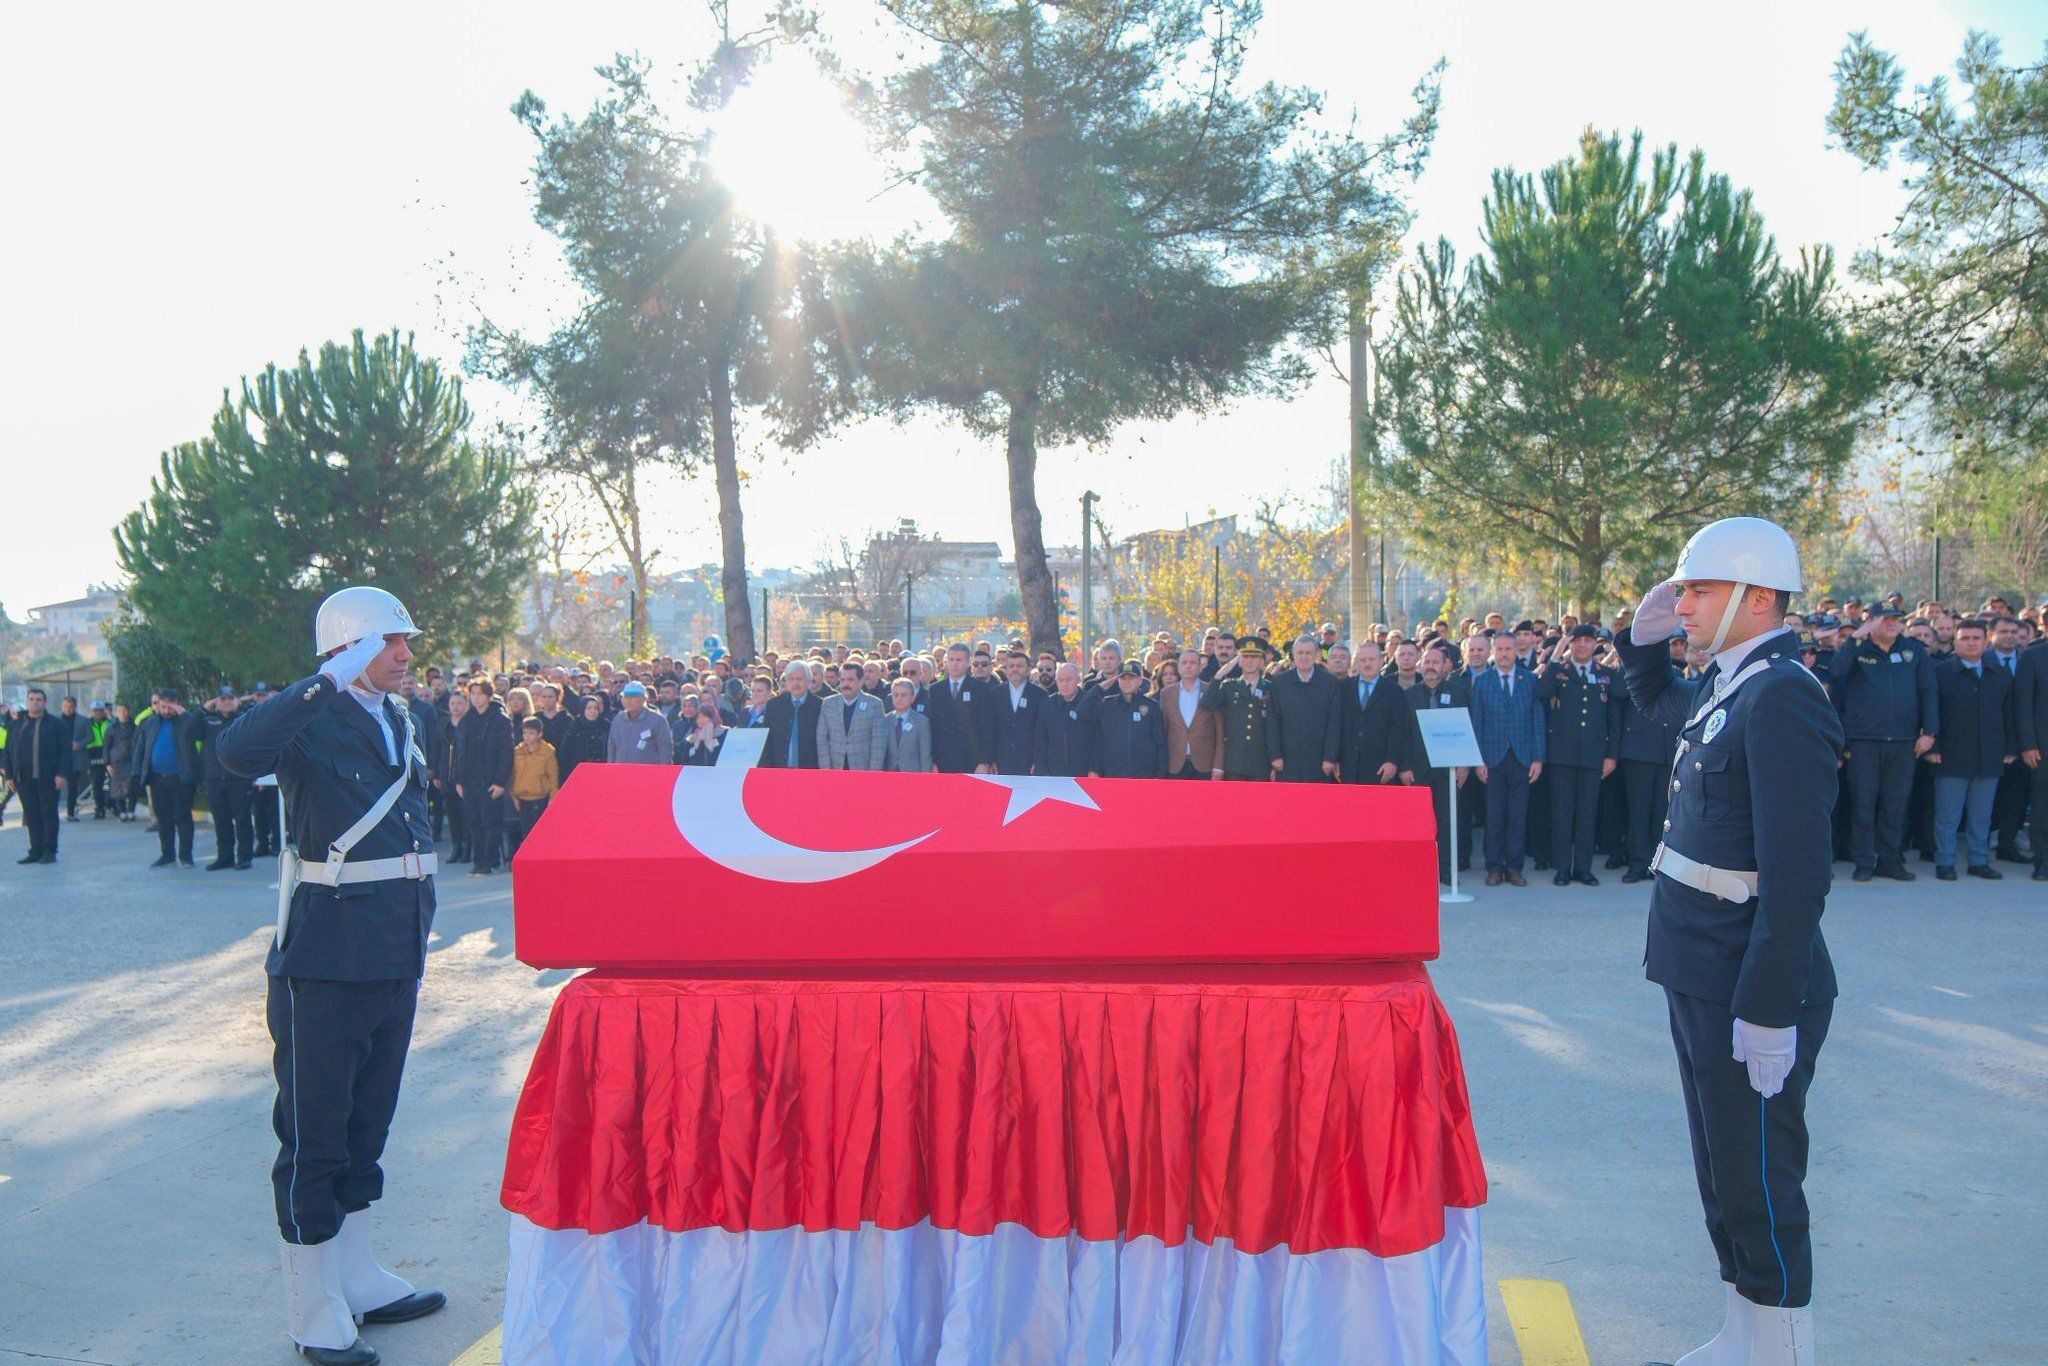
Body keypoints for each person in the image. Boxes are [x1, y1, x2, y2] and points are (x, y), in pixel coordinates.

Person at [1617, 517, 1837, 1366]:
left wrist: (1770, 1007)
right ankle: (1744, 1330)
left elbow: (1796, 874)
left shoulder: (1781, 692)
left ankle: (1784, 1348)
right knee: (1723, 1169)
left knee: (1760, 1175)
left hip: (1748, 975)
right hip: (1699, 962)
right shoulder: (1730, 683)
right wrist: (1639, 650)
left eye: (1699, 590)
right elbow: (1660, 706)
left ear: (1758, 600)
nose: (1683, 605)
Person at [216, 585, 446, 1366]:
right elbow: (236, 752)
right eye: (389, 643)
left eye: (404, 642)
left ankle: (357, 1275)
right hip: (327, 956)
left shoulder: (399, 717)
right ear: (349, 648)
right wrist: (323, 679)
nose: (406, 656)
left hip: (394, 949)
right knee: (315, 1134)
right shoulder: (311, 718)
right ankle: (313, 1305)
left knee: (366, 1125)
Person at [1827, 604, 1937, 881]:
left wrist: (1930, 732)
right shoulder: (1857, 650)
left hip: (1903, 741)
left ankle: (1889, 860)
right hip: (1864, 741)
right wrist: (1855, 637)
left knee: (1895, 805)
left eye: (1896, 619)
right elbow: (1837, 672)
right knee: (1863, 805)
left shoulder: (1913, 651)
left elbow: (1928, 691)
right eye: (1884, 619)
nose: (1891, 623)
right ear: (1870, 622)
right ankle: (1863, 862)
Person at [1534, 625, 1622, 887]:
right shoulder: (1559, 671)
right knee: (1562, 813)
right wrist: (1554, 656)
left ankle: (1583, 868)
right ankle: (1562, 867)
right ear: (1570, 644)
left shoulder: (1606, 674)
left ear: (1595, 644)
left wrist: (1611, 755)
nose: (1583, 645)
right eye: (1577, 641)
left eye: (1588, 641)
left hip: (1594, 756)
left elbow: (1613, 719)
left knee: (1587, 813)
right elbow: (1541, 693)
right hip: (1562, 755)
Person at [1927, 619, 2015, 880]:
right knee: (1948, 815)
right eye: (1965, 638)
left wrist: (2010, 747)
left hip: (1990, 753)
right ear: (1955, 641)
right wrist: (1934, 745)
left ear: (1986, 641)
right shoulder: (1941, 672)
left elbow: (2008, 714)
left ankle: (1978, 860)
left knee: (1981, 815)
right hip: (1950, 754)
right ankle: (1945, 861)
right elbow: (1932, 712)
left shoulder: (1999, 673)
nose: (1971, 642)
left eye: (1976, 638)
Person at [1468, 634, 1544, 887]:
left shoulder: (1530, 680)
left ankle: (1514, 867)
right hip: (1492, 759)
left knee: (1517, 816)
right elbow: (1476, 724)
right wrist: (1477, 760)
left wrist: (1538, 757)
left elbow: (1537, 721)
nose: (1503, 653)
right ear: (1493, 651)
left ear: (1515, 651)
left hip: (1522, 758)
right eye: (1499, 649)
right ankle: (1493, 868)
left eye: (1507, 649)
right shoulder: (1482, 682)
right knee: (1494, 816)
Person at [1616, 638, 1686, 883]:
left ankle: (1657, 862)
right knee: (1638, 811)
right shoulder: (1630, 672)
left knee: (1662, 812)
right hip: (1639, 751)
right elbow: (1617, 691)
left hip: (1667, 751)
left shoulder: (1676, 673)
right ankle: (1637, 862)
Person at [1405, 646, 1472, 882]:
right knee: (1420, 823)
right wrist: (1405, 767)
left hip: (1449, 769)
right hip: (1418, 769)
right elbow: (1404, 734)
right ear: (1421, 665)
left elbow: (1466, 728)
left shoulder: (1458, 692)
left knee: (1446, 821)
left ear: (1445, 666)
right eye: (1427, 662)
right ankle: (1420, 870)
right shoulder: (1410, 695)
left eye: (1436, 662)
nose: (1431, 667)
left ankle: (1445, 871)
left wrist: (1464, 764)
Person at [135, 688, 203, 867]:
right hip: (157, 779)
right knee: (163, 819)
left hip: (181, 779)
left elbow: (200, 732)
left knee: (183, 817)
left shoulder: (185, 722)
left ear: (178, 705)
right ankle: (167, 854)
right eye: (163, 706)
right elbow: (141, 749)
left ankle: (186, 855)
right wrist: (137, 774)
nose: (166, 711)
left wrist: (184, 714)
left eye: (170, 707)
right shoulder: (149, 723)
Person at [1335, 641, 1416, 787]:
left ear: (1380, 661)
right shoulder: (1343, 689)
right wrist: (1335, 759)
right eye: (1363, 660)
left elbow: (1398, 729)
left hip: (1380, 768)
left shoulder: (1394, 691)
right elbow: (1336, 726)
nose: (1367, 664)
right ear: (1356, 663)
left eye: (1371, 659)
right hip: (1348, 766)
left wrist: (1392, 761)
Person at [4, 687, 69, 863]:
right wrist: (9, 776)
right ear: (27, 701)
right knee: (31, 815)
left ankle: (49, 851)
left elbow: (65, 751)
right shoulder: (16, 725)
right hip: (23, 779)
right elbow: (8, 752)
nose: (35, 702)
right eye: (31, 699)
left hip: (48, 779)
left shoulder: (56, 724)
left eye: (38, 699)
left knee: (48, 814)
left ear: (44, 702)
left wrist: (61, 774)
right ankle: (35, 850)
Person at [457, 680, 513, 876]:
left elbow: (506, 753)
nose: (475, 697)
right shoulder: (466, 720)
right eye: (472, 693)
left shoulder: (500, 719)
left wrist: (500, 782)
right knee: (473, 822)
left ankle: (489, 862)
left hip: (490, 781)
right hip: (469, 780)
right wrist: (458, 780)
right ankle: (478, 861)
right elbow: (459, 751)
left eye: (479, 693)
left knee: (490, 823)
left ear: (489, 696)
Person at [1201, 636, 1275, 780]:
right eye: (1245, 656)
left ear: (1262, 661)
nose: (1249, 661)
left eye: (1254, 657)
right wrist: (1220, 674)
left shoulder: (1270, 688)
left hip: (1261, 762)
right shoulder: (1229, 686)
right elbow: (1207, 703)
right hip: (1234, 762)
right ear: (1239, 660)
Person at [1267, 636, 1341, 782]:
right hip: (1287, 760)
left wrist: (1330, 757)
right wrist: (1275, 756)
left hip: (1320, 761)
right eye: (1300, 653)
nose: (1304, 657)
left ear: (1316, 655)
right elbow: (1272, 722)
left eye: (1308, 653)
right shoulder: (1279, 683)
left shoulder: (1330, 683)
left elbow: (1335, 723)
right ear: (1293, 654)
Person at [200, 687, 257, 870]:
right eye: (223, 699)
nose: (227, 702)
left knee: (243, 820)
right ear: (217, 701)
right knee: (221, 820)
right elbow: (189, 732)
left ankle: (244, 857)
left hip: (239, 777)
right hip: (215, 778)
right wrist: (204, 708)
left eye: (230, 698)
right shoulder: (209, 720)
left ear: (235, 700)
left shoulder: (244, 718)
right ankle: (225, 857)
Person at [1091, 662, 1166, 778]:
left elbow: (1160, 743)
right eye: (1123, 678)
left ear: (1140, 680)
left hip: (1144, 776)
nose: (1127, 681)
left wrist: (1160, 775)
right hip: (1113, 774)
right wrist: (1099, 688)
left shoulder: (1151, 707)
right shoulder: (1106, 705)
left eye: (1131, 678)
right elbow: (1082, 714)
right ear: (1117, 680)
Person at [979, 649, 1046, 775]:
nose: (1015, 669)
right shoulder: (995, 694)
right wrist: (990, 760)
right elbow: (989, 729)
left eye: (1019, 666)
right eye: (1011, 666)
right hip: (1000, 763)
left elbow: (1042, 731)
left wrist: (1038, 760)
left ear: (1028, 670)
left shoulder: (1040, 695)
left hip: (1029, 763)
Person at [923, 643, 986, 773]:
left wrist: (984, 761)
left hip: (971, 758)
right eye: (951, 660)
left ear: (968, 662)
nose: (954, 664)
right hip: (943, 757)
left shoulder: (980, 689)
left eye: (959, 660)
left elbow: (986, 728)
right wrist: (933, 761)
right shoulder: (935, 689)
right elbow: (932, 728)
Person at [818, 661, 889, 770]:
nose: (845, 684)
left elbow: (878, 744)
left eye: (850, 680)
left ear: (861, 681)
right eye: (842, 680)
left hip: (862, 769)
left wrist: (873, 775)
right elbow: (822, 739)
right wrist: (826, 771)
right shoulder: (828, 704)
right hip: (835, 768)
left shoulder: (875, 704)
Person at [1162, 649, 1221, 779]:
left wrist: (1218, 765)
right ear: (1178, 667)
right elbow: (1163, 731)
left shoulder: (1210, 691)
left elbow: (1220, 732)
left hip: (1205, 764)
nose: (1188, 666)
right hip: (1175, 765)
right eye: (1184, 662)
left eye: (1193, 663)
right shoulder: (1166, 693)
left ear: (1200, 667)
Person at [506, 716, 559, 858]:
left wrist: (553, 798)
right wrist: (513, 795)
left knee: (539, 832)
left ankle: (540, 857)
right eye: (525, 733)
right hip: (521, 797)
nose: (527, 737)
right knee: (525, 832)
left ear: (539, 734)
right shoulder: (517, 750)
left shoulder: (547, 751)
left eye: (531, 733)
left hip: (539, 796)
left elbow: (553, 776)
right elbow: (513, 775)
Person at [1033, 663, 1097, 777]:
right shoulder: (1048, 704)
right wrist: (1042, 770)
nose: (1064, 684)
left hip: (1084, 772)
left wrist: (1094, 768)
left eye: (1068, 680)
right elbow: (1040, 739)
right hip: (1054, 772)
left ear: (1078, 679)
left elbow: (1097, 739)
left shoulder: (1090, 702)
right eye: (1060, 680)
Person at [762, 662, 822, 769]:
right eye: (791, 679)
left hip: (810, 771)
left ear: (808, 681)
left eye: (799, 679)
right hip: (779, 771)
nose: (795, 683)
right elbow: (766, 742)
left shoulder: (820, 706)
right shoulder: (774, 705)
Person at [605, 681, 672, 765]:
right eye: (625, 697)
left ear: (644, 699)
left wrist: (665, 774)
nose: (628, 701)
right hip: (621, 774)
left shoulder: (657, 720)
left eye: (634, 697)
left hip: (648, 775)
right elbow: (612, 749)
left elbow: (665, 751)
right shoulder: (618, 720)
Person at [882, 678, 934, 772]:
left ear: (912, 697)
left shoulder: (922, 722)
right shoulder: (885, 720)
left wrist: (926, 780)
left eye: (904, 695)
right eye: (896, 695)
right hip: (889, 776)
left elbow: (925, 755)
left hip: (912, 776)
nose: (899, 698)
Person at [559, 694, 610, 786]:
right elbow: (565, 755)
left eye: (595, 708)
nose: (593, 711)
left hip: (602, 775)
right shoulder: (575, 727)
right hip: (579, 776)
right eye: (589, 708)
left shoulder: (605, 726)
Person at [103, 701, 138, 822]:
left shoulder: (135, 727)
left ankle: (131, 811)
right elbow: (106, 746)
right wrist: (107, 762)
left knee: (132, 787)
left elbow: (139, 744)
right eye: (119, 711)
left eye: (124, 710)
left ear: (128, 712)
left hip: (131, 761)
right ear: (116, 713)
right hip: (116, 762)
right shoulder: (111, 728)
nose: (122, 713)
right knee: (118, 789)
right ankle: (121, 811)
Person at [678, 699, 726, 766]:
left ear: (713, 717)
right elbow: (685, 762)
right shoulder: (691, 739)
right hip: (695, 775)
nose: (701, 720)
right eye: (698, 717)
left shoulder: (725, 734)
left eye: (705, 716)